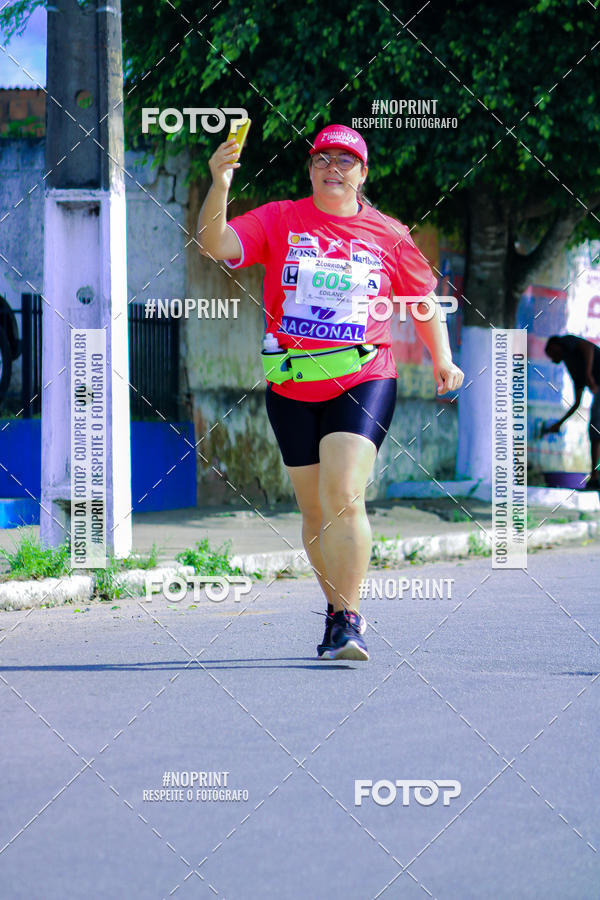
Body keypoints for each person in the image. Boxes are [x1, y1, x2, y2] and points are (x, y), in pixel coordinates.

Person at [197, 123, 464, 661]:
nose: (333, 168)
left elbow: (422, 300)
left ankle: (350, 619)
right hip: (292, 383)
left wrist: (444, 358)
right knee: (315, 512)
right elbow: (214, 245)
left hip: (364, 377)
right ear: (311, 169)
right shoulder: (279, 218)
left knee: (343, 495)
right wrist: (220, 183)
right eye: (324, 159)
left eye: (346, 161)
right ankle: (335, 612)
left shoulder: (389, 233)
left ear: (363, 174)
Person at [544, 334, 600, 489]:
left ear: (556, 345)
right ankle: (595, 476)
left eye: (550, 351)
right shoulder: (573, 367)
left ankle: (595, 476)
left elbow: (588, 347)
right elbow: (577, 403)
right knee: (595, 432)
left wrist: (588, 374)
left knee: (596, 430)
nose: (551, 357)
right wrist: (559, 424)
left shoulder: (567, 341)